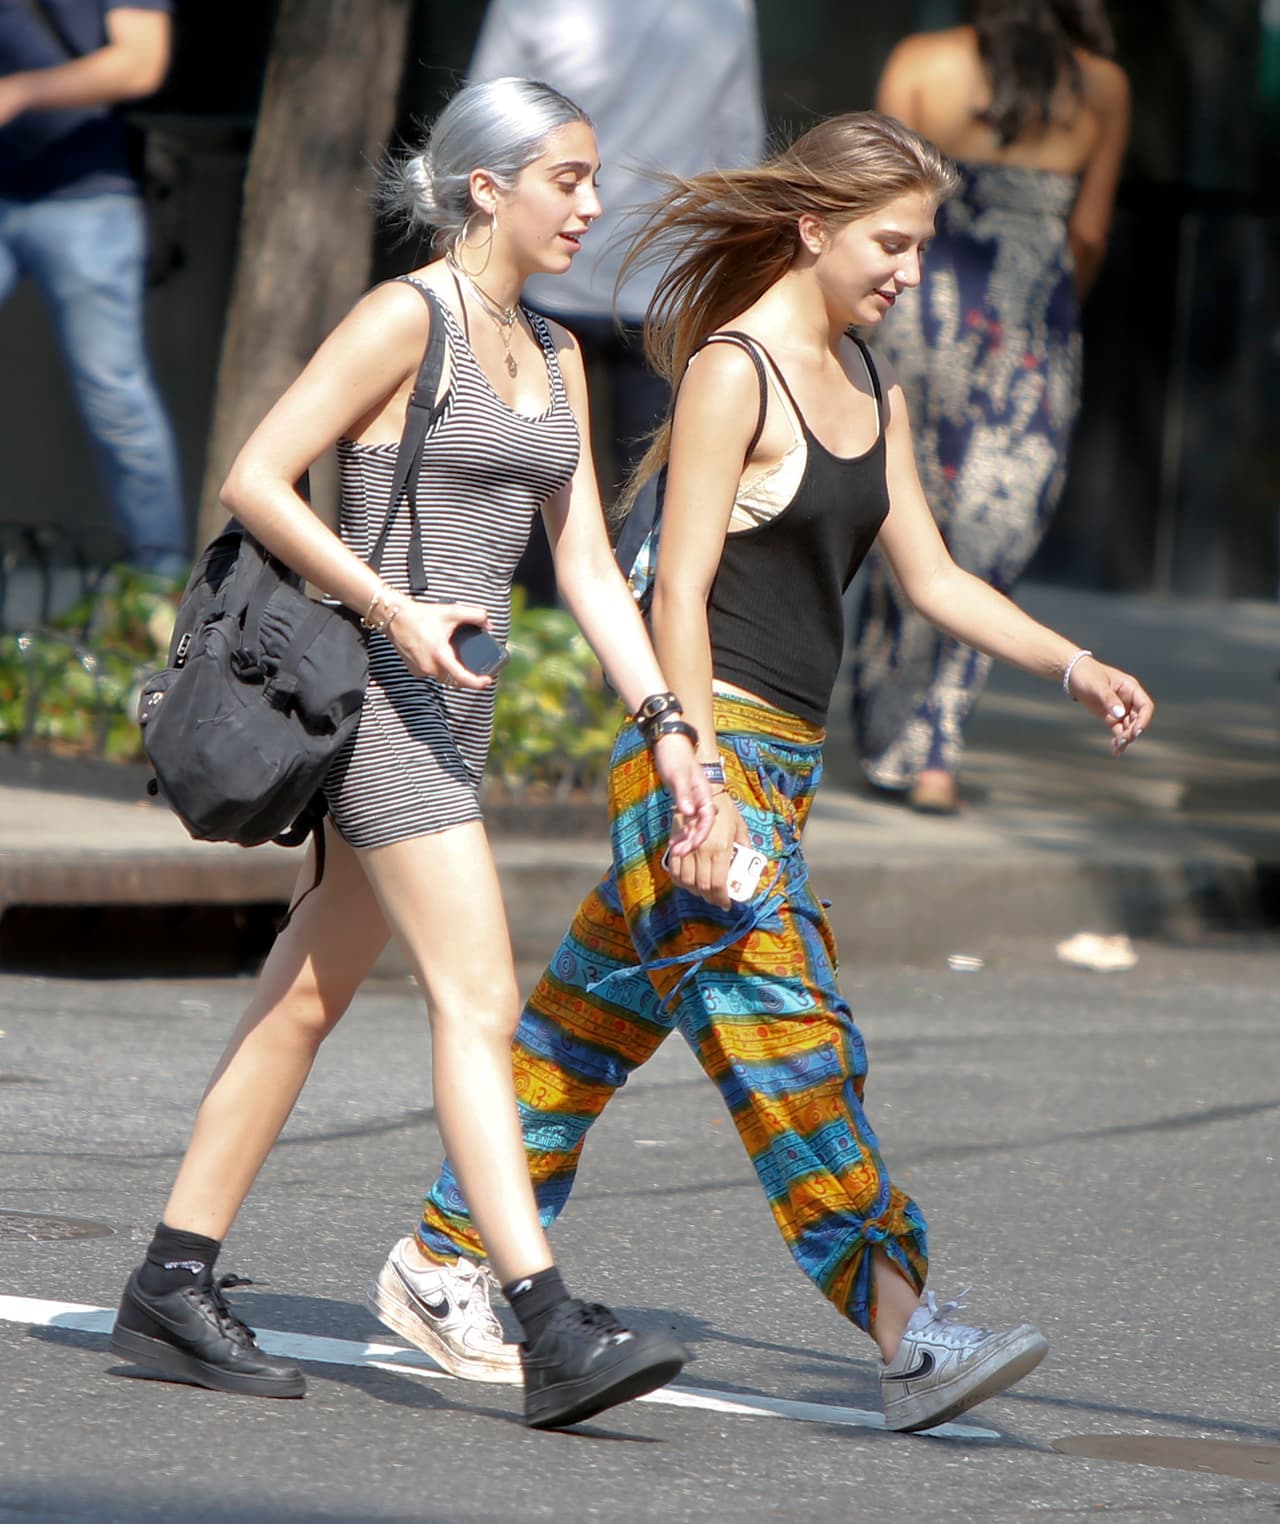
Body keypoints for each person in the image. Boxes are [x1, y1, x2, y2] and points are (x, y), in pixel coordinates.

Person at [363, 108, 1155, 1436]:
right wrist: (701, 779)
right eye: (891, 244)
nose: (911, 271)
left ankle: (442, 1259)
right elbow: (676, 590)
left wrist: (1072, 665)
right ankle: (907, 1333)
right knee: (794, 1045)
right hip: (698, 756)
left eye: (921, 246)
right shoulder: (736, 371)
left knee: (577, 1039)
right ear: (814, 229)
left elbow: (933, 577)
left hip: (777, 767)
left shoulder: (868, 384)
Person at [107, 76, 717, 1432]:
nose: (592, 204)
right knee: (479, 996)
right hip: (382, 698)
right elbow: (257, 475)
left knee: (306, 998)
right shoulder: (408, 318)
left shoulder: (555, 353)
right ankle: (546, 1321)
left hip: (457, 711)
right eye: (567, 179)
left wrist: (667, 722)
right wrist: (393, 609)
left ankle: (170, 1279)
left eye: (594, 178)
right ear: (488, 187)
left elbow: (584, 567)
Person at [849, 0, 1131, 815]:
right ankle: (937, 750)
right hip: (1030, 332)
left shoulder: (918, 61)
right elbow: (1089, 233)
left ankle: (886, 720)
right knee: (988, 542)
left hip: (920, 317)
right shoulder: (1103, 86)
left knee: (905, 517)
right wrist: (1050, 313)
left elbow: (876, 204)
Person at [468, 0, 766, 601]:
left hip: (588, 280)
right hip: (652, 281)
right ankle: (624, 647)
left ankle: (523, 643)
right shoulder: (729, 8)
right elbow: (740, 147)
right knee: (648, 506)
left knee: (532, 493)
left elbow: (486, 123)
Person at [0, 0, 187, 577]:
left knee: (115, 399)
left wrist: (19, 92)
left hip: (86, 196)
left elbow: (141, 62)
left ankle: (159, 592)